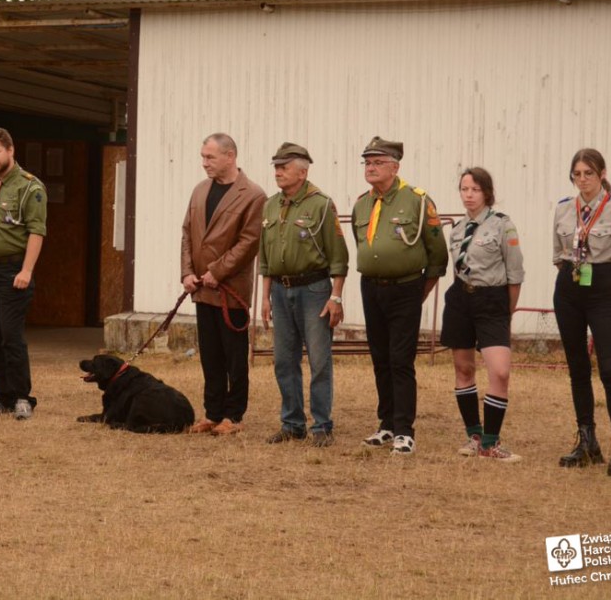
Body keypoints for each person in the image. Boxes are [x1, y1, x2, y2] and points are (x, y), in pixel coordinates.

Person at [351, 136, 447, 455]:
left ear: (395, 166)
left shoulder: (418, 201)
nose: (371, 168)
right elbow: (362, 244)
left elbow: (437, 254)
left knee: (400, 359)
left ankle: (405, 431)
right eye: (367, 162)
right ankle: (387, 425)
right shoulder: (362, 203)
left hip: (406, 287)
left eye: (377, 162)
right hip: (372, 287)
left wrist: (420, 292)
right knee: (380, 358)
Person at [553, 148, 611, 477]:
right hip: (568, 288)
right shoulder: (564, 208)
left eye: (588, 173)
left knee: (610, 370)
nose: (582, 180)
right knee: (578, 368)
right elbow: (558, 255)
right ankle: (587, 441)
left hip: (603, 289)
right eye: (577, 174)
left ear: (602, 174)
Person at [256, 143, 347, 446]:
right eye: (276, 166)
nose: (278, 171)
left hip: (314, 289)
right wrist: (265, 297)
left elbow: (338, 257)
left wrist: (335, 297)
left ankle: (321, 425)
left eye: (284, 166)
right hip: (281, 291)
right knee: (284, 360)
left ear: (303, 171)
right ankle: (292, 423)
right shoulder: (270, 206)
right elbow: (265, 257)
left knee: (319, 360)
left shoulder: (321, 204)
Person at [181, 133, 266, 435]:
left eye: (210, 157)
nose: (204, 163)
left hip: (231, 293)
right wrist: (187, 273)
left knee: (234, 356)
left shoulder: (253, 195)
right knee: (210, 355)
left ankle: (235, 416)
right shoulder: (200, 190)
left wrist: (217, 271)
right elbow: (187, 233)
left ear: (230, 156)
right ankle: (212, 413)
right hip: (202, 290)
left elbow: (249, 242)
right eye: (203, 157)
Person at [441, 168, 524, 462]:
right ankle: (475, 437)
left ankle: (492, 441)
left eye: (475, 189)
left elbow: (515, 275)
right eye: (464, 189)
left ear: (487, 193)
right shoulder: (456, 230)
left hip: (493, 301)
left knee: (500, 372)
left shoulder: (503, 226)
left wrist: (507, 312)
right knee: (463, 369)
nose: (469, 195)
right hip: (461, 299)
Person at [0, 127, 47, 420]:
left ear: (10, 150)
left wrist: (26, 270)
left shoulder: (30, 187)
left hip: (14, 270)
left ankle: (22, 397)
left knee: (10, 336)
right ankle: (2, 396)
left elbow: (36, 231)